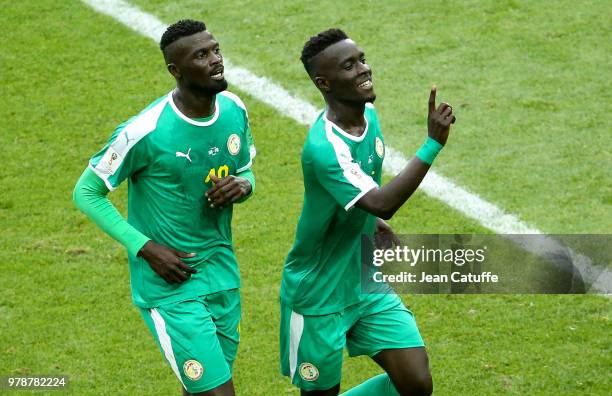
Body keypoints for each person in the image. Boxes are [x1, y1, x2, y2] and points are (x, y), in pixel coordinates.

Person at [73, 19, 255, 396]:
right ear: (176, 70)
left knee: (202, 389)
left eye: (216, 50)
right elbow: (87, 192)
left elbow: (247, 168)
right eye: (201, 55)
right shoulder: (145, 131)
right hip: (170, 287)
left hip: (222, 275)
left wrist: (244, 184)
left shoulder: (235, 109)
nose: (216, 60)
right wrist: (146, 249)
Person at [280, 29, 455, 396]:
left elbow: (361, 192)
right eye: (350, 66)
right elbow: (381, 201)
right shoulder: (325, 147)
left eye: (362, 59)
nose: (363, 69)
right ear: (324, 82)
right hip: (318, 291)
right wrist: (431, 145)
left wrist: (370, 222)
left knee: (416, 382)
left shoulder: (368, 115)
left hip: (363, 277)